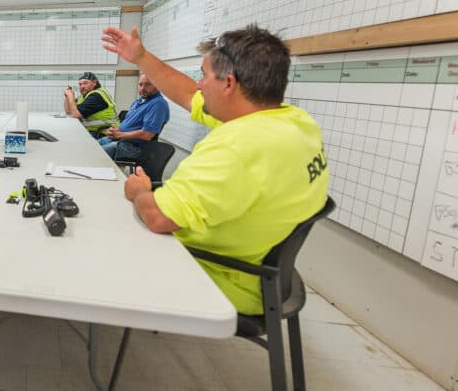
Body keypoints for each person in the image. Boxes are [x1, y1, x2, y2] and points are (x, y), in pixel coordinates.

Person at [102, 24, 328, 316]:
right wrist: (141, 56)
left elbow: (159, 217)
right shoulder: (293, 122)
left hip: (219, 277)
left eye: (204, 75)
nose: (198, 84)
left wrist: (139, 192)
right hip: (267, 275)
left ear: (229, 84)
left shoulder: (238, 147)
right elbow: (186, 94)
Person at [98, 73, 170, 161]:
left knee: (96, 155)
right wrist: (115, 131)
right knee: (89, 147)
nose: (143, 88)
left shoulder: (158, 104)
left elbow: (147, 134)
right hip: (121, 140)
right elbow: (130, 124)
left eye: (148, 84)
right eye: (140, 84)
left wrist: (120, 134)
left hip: (135, 147)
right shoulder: (139, 101)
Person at [63, 71, 117, 136]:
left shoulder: (96, 96)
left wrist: (71, 96)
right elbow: (69, 112)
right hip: (92, 131)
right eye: (80, 84)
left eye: (85, 83)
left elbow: (75, 115)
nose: (82, 86)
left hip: (104, 133)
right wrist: (67, 97)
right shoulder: (84, 96)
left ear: (94, 82)